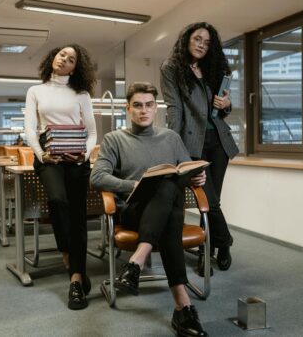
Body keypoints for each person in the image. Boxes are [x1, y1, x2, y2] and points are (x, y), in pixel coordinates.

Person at [91, 82, 208, 337]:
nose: (144, 110)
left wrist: (198, 178)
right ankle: (183, 309)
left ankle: (137, 264)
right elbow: (97, 177)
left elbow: (187, 171)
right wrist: (135, 184)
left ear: (156, 108)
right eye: (138, 106)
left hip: (165, 216)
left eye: (149, 105)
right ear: (128, 108)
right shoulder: (114, 139)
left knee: (168, 189)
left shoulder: (171, 138)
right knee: (166, 191)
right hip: (133, 211)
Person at [160, 22, 239, 276]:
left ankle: (209, 251)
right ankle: (223, 242)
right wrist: (174, 143)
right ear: (186, 40)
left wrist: (227, 104)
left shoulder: (215, 69)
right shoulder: (172, 68)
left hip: (220, 143)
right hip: (193, 144)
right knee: (209, 200)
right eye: (197, 39)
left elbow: (222, 111)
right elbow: (175, 108)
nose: (201, 45)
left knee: (211, 201)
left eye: (206, 42)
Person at [24, 44, 97, 310]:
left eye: (71, 59)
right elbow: (30, 129)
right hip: (48, 154)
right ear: (53, 58)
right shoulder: (36, 91)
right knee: (58, 200)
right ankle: (68, 255)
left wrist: (84, 156)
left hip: (76, 156)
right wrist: (41, 154)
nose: (64, 59)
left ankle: (76, 279)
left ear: (76, 67)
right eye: (61, 55)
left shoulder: (82, 94)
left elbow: (92, 134)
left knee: (78, 214)